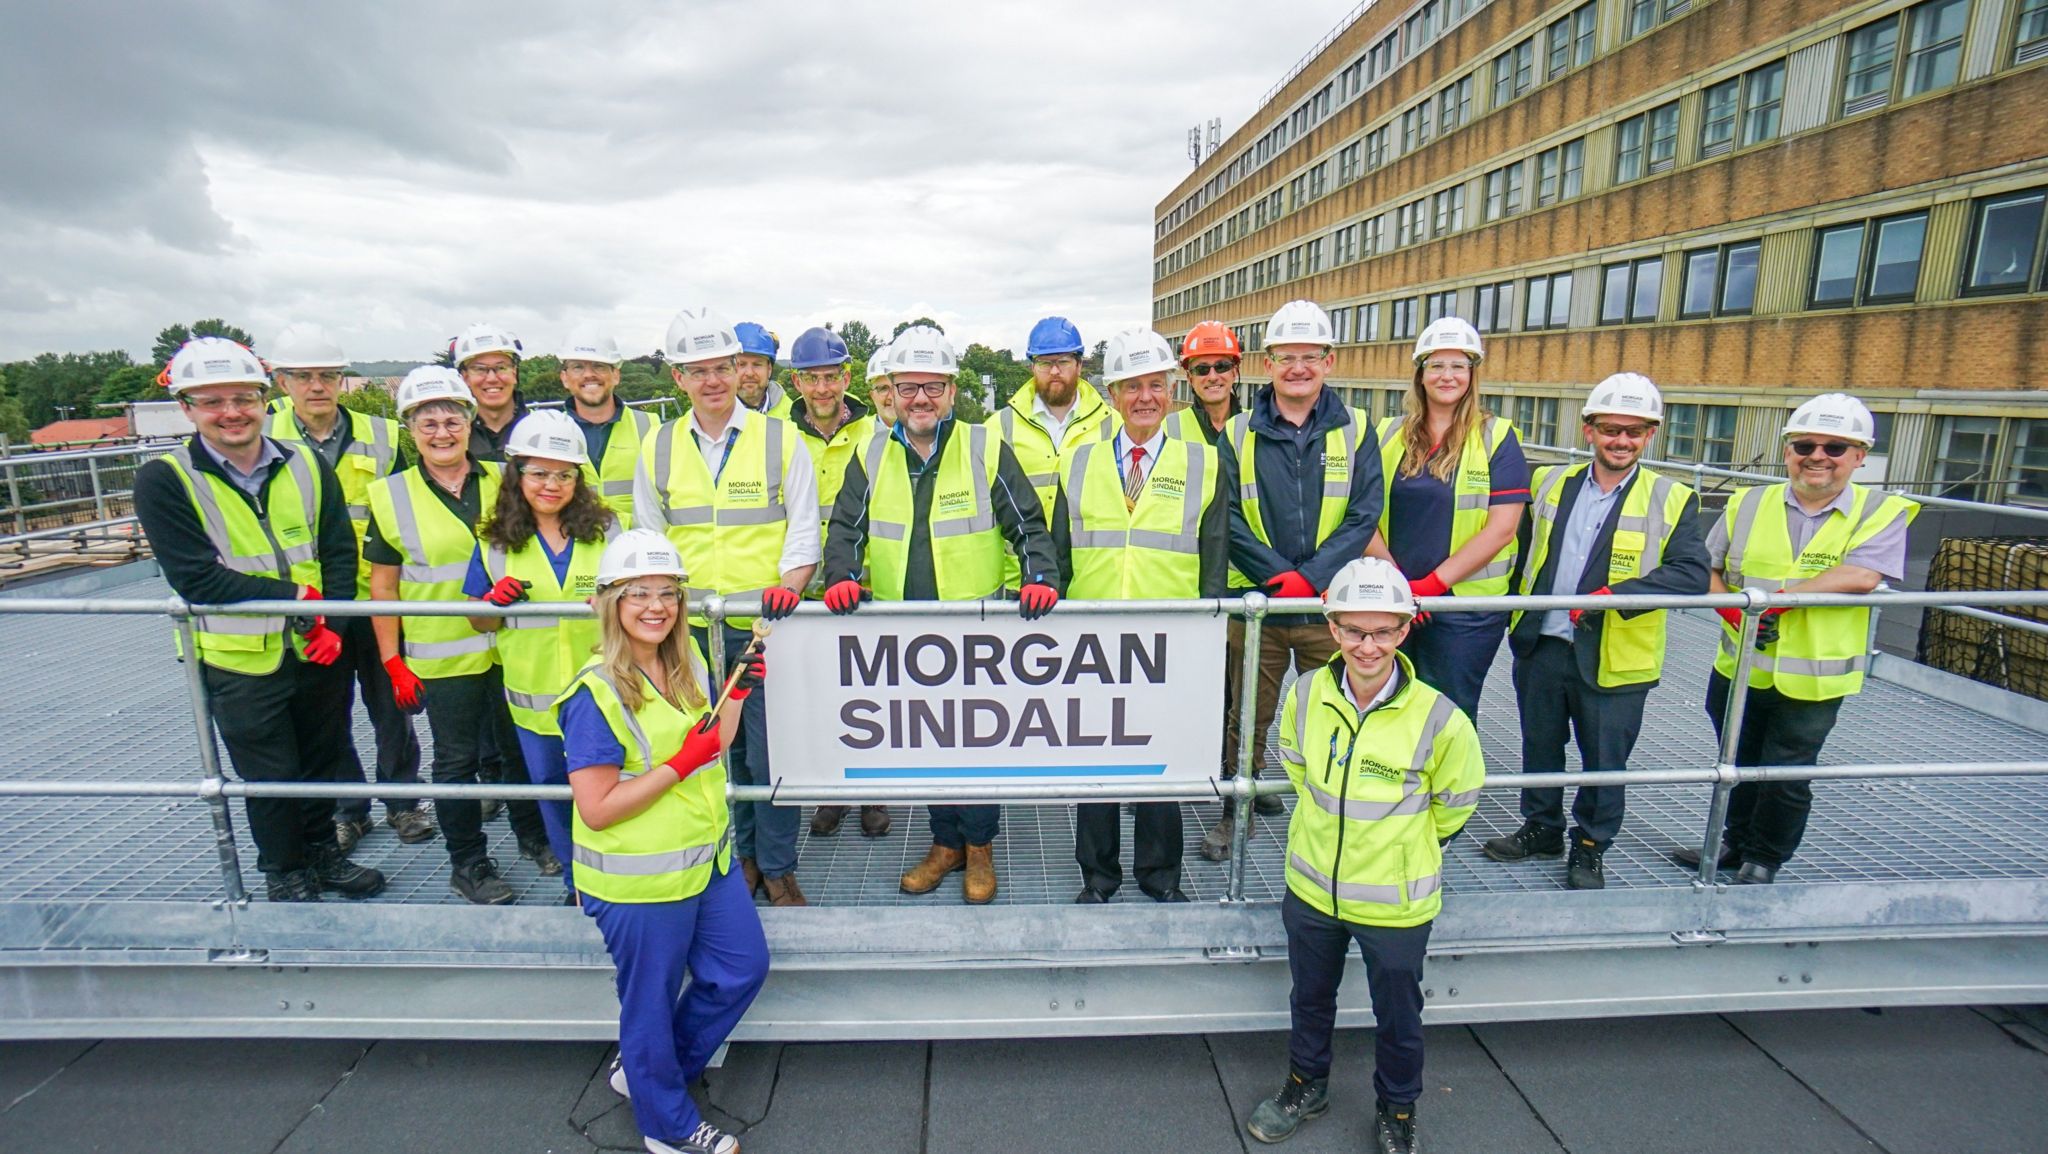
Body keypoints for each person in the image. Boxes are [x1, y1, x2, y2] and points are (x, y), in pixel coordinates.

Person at [133, 337, 385, 902]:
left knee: (324, 757)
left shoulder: (305, 464)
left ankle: (323, 853)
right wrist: (299, 597)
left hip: (316, 648)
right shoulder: (166, 479)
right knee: (270, 775)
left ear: (264, 400)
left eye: (243, 398)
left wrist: (334, 625)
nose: (231, 412)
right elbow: (197, 579)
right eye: (212, 401)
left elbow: (340, 552)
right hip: (239, 658)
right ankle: (285, 870)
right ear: (187, 409)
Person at [1243, 557, 1482, 1154]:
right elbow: (1296, 766)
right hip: (1314, 888)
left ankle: (1398, 1110)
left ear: (1405, 630)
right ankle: (1306, 1084)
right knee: (1309, 997)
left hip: (1395, 902)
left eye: (1381, 631)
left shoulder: (1440, 718)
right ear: (1332, 627)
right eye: (1353, 630)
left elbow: (1457, 802)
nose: (1367, 645)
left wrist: (1405, 850)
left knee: (1398, 1017)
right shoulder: (1306, 694)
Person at [821, 324, 1062, 905]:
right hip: (905, 630)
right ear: (892, 392)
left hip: (975, 630)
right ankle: (943, 842)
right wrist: (841, 578)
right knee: (926, 741)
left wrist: (1040, 578)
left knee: (976, 742)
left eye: (932, 387)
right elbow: (846, 529)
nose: (920, 399)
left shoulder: (983, 448)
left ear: (952, 391)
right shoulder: (871, 453)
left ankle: (978, 847)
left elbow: (1027, 522)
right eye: (908, 388)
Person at [560, 528, 768, 1154]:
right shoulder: (595, 695)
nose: (657, 606)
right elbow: (596, 809)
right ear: (611, 603)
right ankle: (668, 1127)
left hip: (705, 863)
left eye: (668, 594)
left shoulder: (686, 665)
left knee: (740, 970)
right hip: (638, 880)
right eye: (639, 594)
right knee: (647, 1005)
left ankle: (649, 1076)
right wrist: (679, 765)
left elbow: (714, 741)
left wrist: (740, 690)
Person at [1670, 393, 1916, 884]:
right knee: (1735, 763)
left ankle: (1764, 859)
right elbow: (1708, 568)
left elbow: (1864, 575)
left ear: (1860, 456)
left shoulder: (1880, 511)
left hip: (1814, 680)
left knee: (1786, 774)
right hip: (1740, 667)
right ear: (1787, 450)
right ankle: (1730, 844)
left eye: (1836, 447)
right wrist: (1732, 608)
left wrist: (1779, 597)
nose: (1817, 456)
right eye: (1805, 444)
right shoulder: (1748, 502)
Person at [1485, 374, 1708, 889]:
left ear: (1650, 435)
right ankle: (1542, 827)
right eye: (1611, 428)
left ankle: (1590, 845)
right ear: (1589, 429)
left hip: (1616, 653)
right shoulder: (1548, 483)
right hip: (1543, 641)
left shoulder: (1672, 498)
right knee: (1539, 744)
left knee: (1605, 758)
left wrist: (1618, 597)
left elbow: (1692, 574)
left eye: (1634, 431)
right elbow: (1519, 551)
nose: (1621, 441)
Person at [634, 307, 819, 907]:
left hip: (763, 630)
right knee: (711, 751)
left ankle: (779, 865)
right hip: (686, 634)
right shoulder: (658, 445)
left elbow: (802, 530)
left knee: (772, 751)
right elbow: (649, 537)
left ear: (742, 371)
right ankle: (738, 858)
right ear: (678, 379)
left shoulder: (779, 438)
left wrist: (784, 598)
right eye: (698, 371)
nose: (713, 381)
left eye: (724, 367)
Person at [1202, 300, 1383, 862]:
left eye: (1310, 356)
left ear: (1329, 361)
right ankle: (1239, 810)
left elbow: (1364, 511)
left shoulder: (1356, 429)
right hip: (1259, 604)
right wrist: (1281, 577)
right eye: (1287, 356)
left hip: (1331, 607)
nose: (1298, 367)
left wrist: (1312, 578)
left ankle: (1335, 813)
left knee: (1337, 712)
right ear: (1269, 361)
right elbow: (1224, 517)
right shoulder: (1236, 433)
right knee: (1245, 714)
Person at [1054, 329, 1228, 904]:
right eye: (1132, 387)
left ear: (1172, 390)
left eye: (1156, 384)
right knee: (1096, 766)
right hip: (1093, 635)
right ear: (1112, 394)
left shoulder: (1202, 461)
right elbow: (1058, 548)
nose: (1145, 397)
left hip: (1170, 636)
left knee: (1162, 761)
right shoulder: (1077, 463)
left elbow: (1215, 556)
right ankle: (1098, 878)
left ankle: (1160, 878)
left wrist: (1209, 638)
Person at [262, 323, 429, 853]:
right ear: (282, 382)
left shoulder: (380, 435)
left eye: (328, 376)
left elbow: (410, 500)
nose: (317, 386)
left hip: (379, 598)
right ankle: (347, 809)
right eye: (304, 376)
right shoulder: (263, 435)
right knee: (327, 714)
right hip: (312, 604)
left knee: (391, 707)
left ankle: (403, 803)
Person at [362, 368, 516, 904]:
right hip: (444, 655)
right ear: (409, 428)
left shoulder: (508, 478)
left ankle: (537, 839)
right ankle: (469, 863)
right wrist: (392, 661)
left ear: (471, 421)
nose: (442, 432)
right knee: (456, 764)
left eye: (453, 419)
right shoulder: (388, 495)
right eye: (427, 422)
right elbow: (383, 587)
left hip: (515, 646)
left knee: (521, 754)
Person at [465, 409, 619, 884]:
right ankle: (579, 884)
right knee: (554, 793)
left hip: (603, 695)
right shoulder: (493, 541)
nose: (551, 484)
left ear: (579, 478)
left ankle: (617, 878)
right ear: (518, 475)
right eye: (538, 473)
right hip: (535, 701)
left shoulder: (609, 530)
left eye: (563, 474)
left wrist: (614, 602)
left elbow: (642, 601)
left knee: (613, 787)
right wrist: (493, 602)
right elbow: (475, 619)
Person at [1367, 317, 1529, 723]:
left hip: (1464, 610)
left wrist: (1432, 587)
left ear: (1472, 374)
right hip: (1393, 600)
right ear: (1420, 374)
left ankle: (1449, 789)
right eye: (1436, 365)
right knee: (1388, 707)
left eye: (1459, 366)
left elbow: (1502, 527)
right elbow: (1361, 513)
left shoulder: (1497, 437)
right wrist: (1400, 586)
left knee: (1449, 712)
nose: (1447, 375)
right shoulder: (1387, 434)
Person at [786, 326, 889, 841]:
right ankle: (831, 789)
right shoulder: (779, 436)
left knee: (867, 695)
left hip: (860, 586)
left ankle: (870, 790)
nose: (822, 388)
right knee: (819, 696)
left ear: (846, 378)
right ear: (796, 382)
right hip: (804, 589)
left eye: (831, 377)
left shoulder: (875, 435)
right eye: (811, 378)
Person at [987, 315, 1119, 591]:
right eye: (1045, 363)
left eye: (1063, 362)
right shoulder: (1000, 427)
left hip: (1090, 580)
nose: (1055, 371)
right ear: (1032, 367)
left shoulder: (1112, 424)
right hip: (1019, 581)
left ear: (1080, 365)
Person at [560, 323, 656, 530]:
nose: (589, 374)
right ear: (565, 378)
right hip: (574, 555)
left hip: (638, 553)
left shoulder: (652, 427)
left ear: (616, 375)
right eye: (578, 367)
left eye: (599, 366)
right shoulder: (552, 432)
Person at [453, 323, 530, 461]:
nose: (492, 378)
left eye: (501, 367)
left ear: (514, 371)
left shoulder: (538, 428)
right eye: (480, 369)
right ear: (465, 377)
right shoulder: (453, 437)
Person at [1166, 320, 1244, 445]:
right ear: (1190, 378)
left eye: (1221, 367)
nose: (1213, 377)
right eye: (1202, 369)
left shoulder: (1256, 425)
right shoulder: (1168, 429)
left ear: (1234, 372)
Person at [733, 321, 793, 419]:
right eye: (741, 364)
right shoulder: (710, 415)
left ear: (769, 369)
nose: (749, 373)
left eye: (757, 364)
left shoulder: (793, 416)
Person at [864, 345, 898, 434]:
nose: (892, 396)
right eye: (883, 388)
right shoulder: (858, 434)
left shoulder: (930, 435)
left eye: (898, 386)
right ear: (872, 395)